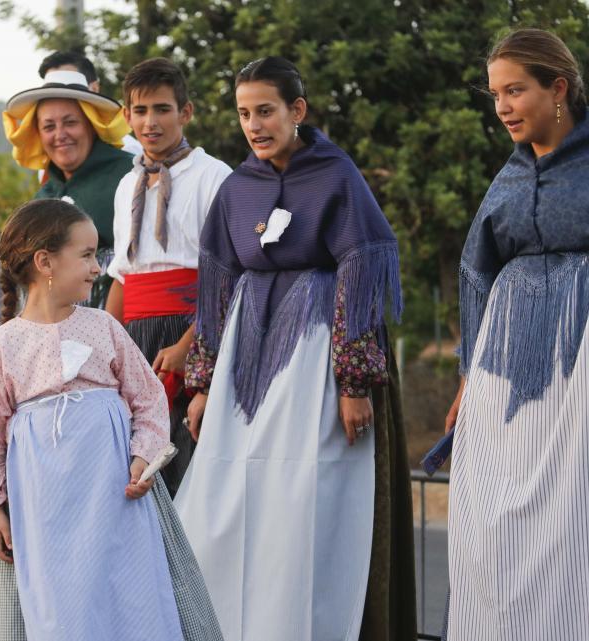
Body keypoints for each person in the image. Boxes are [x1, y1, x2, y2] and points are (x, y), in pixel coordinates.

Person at [174, 57, 416, 640]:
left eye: (266, 111)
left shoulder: (335, 176)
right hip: (244, 358)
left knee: (307, 497)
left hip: (316, 354)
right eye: (243, 114)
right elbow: (217, 288)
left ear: (296, 111)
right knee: (230, 497)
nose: (254, 125)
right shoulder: (238, 188)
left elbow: (360, 273)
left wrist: (354, 384)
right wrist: (205, 383)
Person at [0, 198, 183, 640]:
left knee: (128, 592)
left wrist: (143, 458)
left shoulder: (104, 327)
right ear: (45, 261)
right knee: (59, 602)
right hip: (43, 506)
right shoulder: (6, 344)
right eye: (86, 255)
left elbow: (148, 400)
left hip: (114, 497)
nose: (98, 268)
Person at [444, 28, 589, 640]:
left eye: (515, 91)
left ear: (557, 88)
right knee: (491, 517)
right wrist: (467, 378)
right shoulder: (507, 176)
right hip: (505, 365)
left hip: (578, 362)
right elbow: (477, 272)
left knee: (569, 516)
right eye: (495, 94)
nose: (502, 106)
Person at [104, 58, 231, 494]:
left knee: (181, 467)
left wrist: (187, 345)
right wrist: (106, 345)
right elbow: (122, 276)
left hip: (190, 333)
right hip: (134, 339)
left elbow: (228, 277)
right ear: (126, 116)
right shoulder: (127, 186)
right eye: (140, 111)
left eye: (161, 109)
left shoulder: (215, 177)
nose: (150, 122)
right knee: (130, 464)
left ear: (186, 112)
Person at [3, 69, 132, 308]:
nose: (60, 135)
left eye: (71, 123)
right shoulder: (43, 197)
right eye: (49, 126)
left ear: (92, 126)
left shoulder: (129, 175)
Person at [37, 50, 142, 157]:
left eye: (72, 90)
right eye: (52, 92)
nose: (60, 135)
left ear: (94, 88)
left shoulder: (128, 151)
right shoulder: (50, 158)